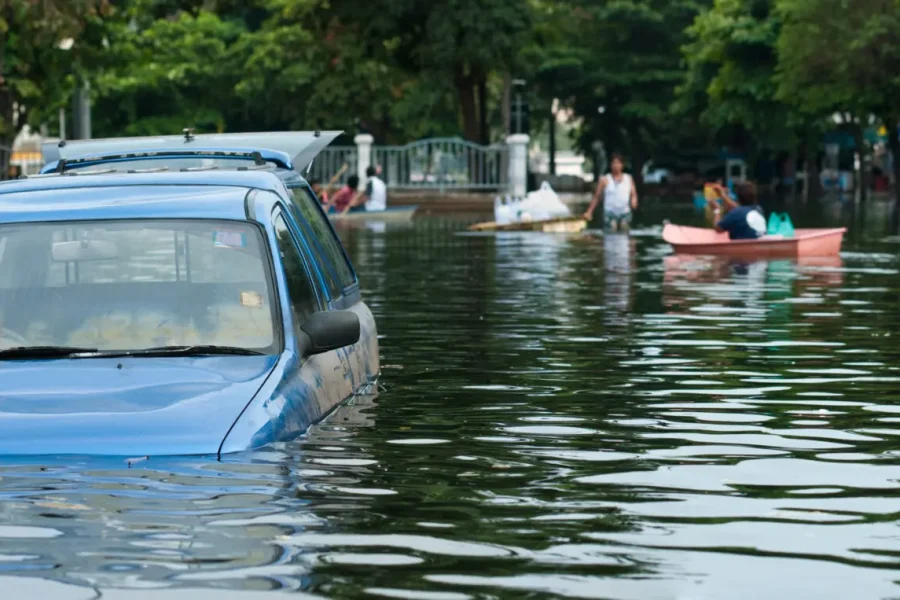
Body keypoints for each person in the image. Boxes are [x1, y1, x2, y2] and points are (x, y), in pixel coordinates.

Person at [583, 153, 638, 231]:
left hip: (625, 212)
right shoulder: (605, 179)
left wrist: (634, 201)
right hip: (610, 213)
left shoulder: (628, 178)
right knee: (612, 230)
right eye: (614, 163)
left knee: (625, 230)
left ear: (622, 165)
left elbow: (633, 194)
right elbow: (597, 197)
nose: (616, 165)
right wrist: (589, 212)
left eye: (618, 163)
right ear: (610, 165)